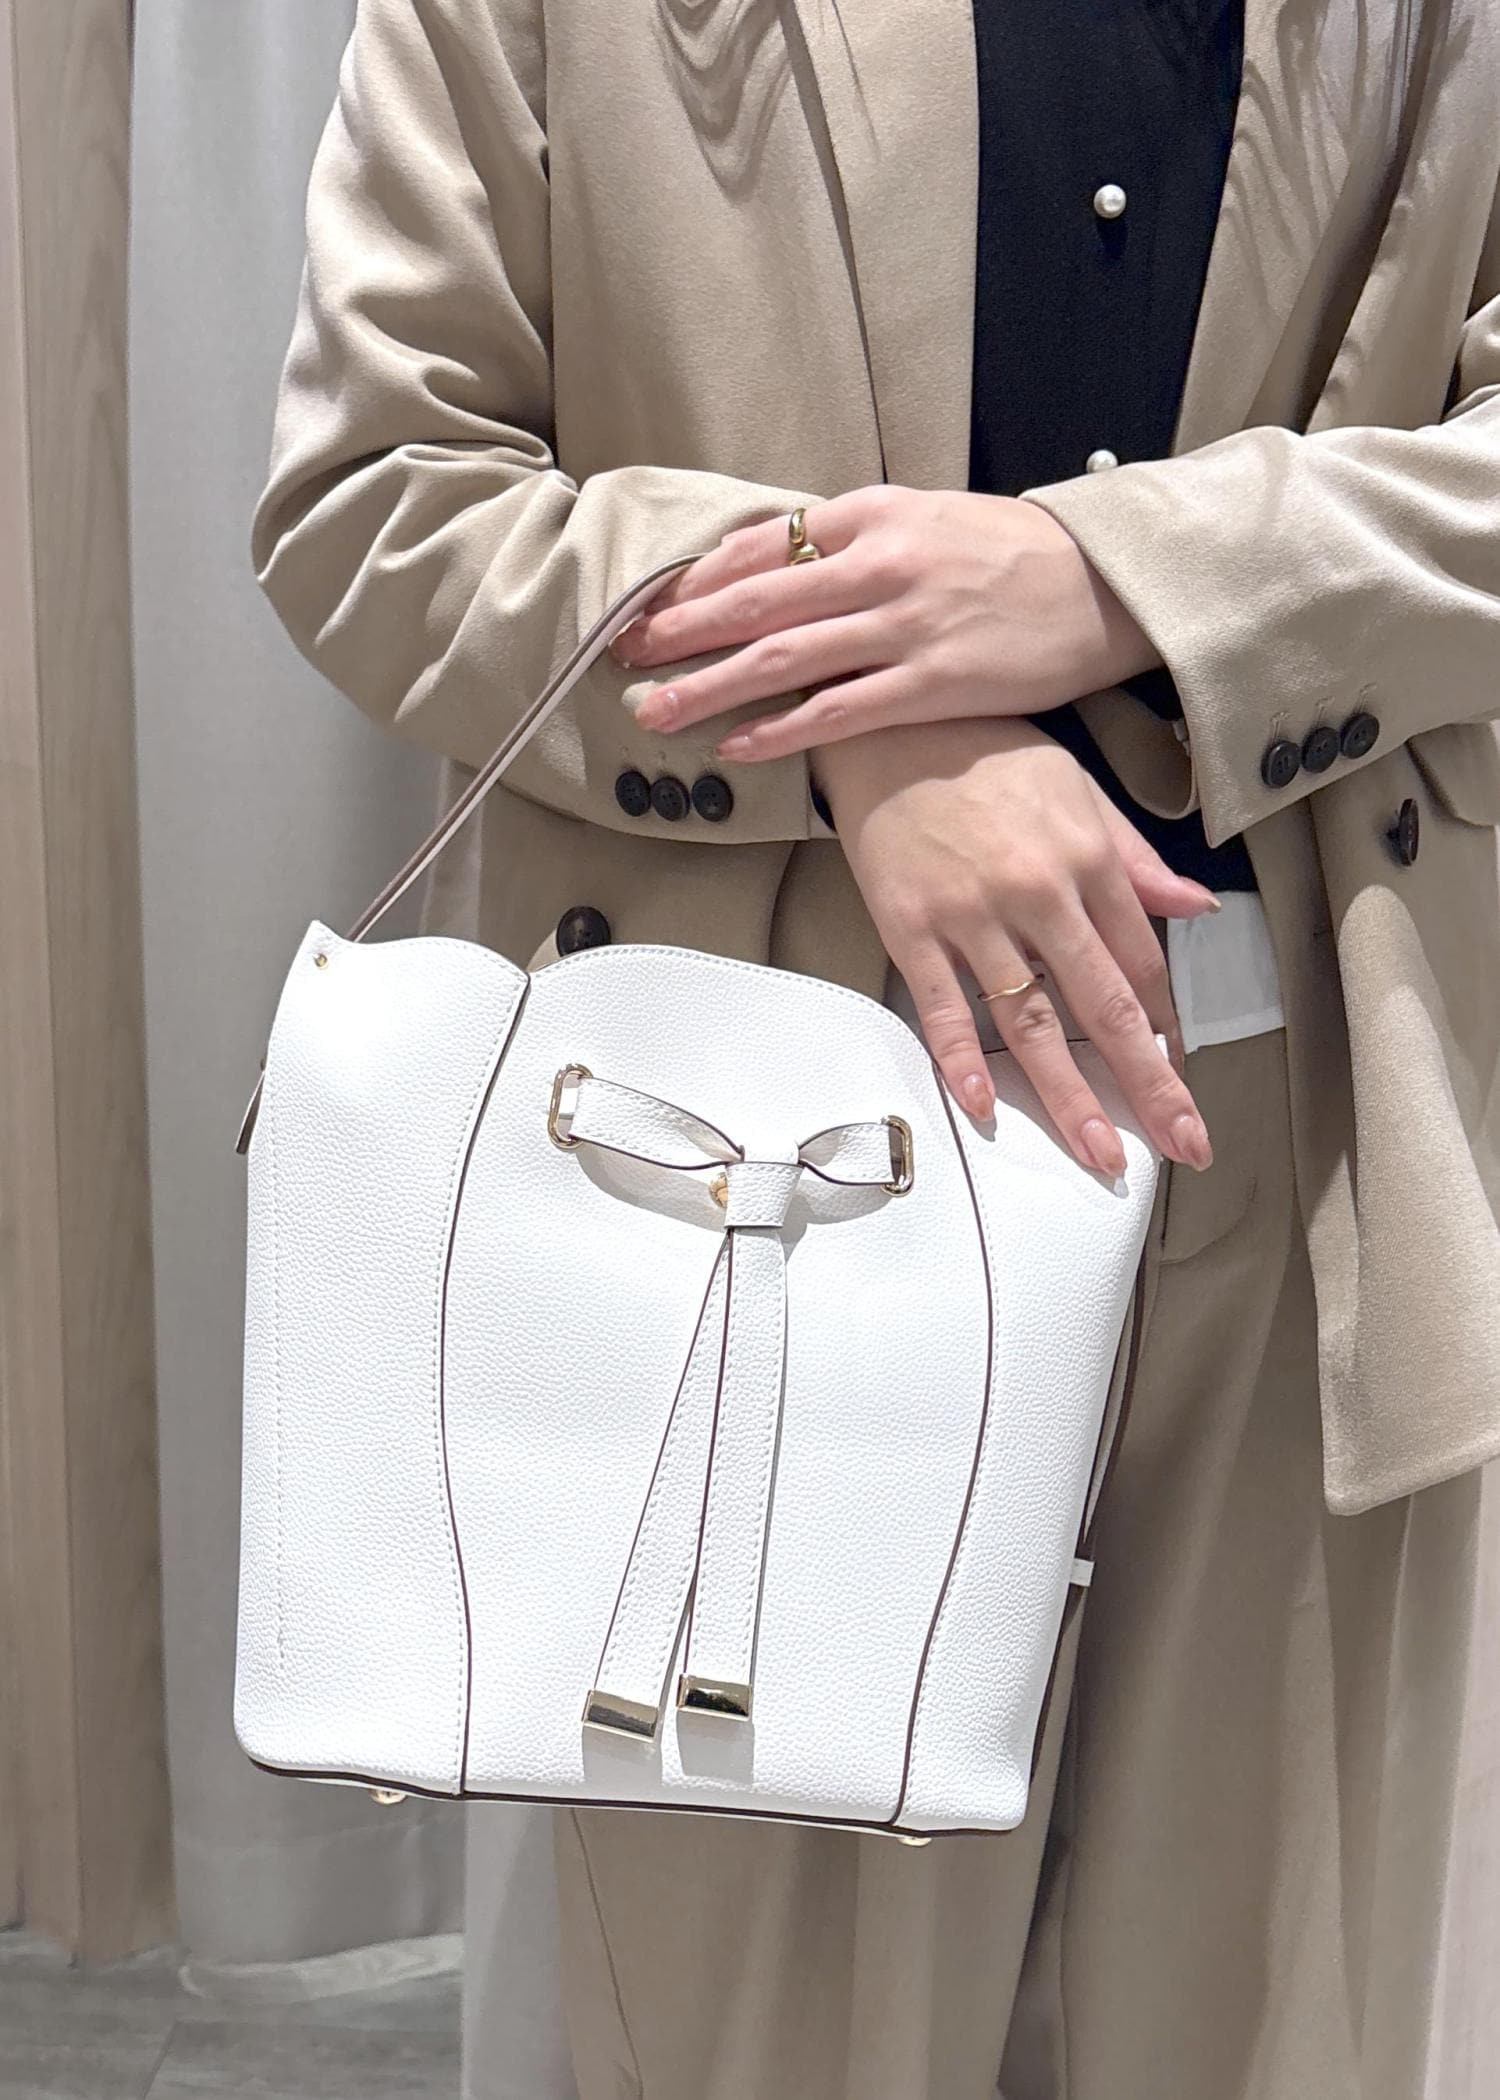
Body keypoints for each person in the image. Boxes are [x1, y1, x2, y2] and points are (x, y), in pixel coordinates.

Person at [250, 2, 1500, 2094]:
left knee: (1280, 2013)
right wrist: (859, 724)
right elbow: (382, 494)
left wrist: (1116, 578)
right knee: (776, 2033)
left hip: (1319, 1146)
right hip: (752, 1172)